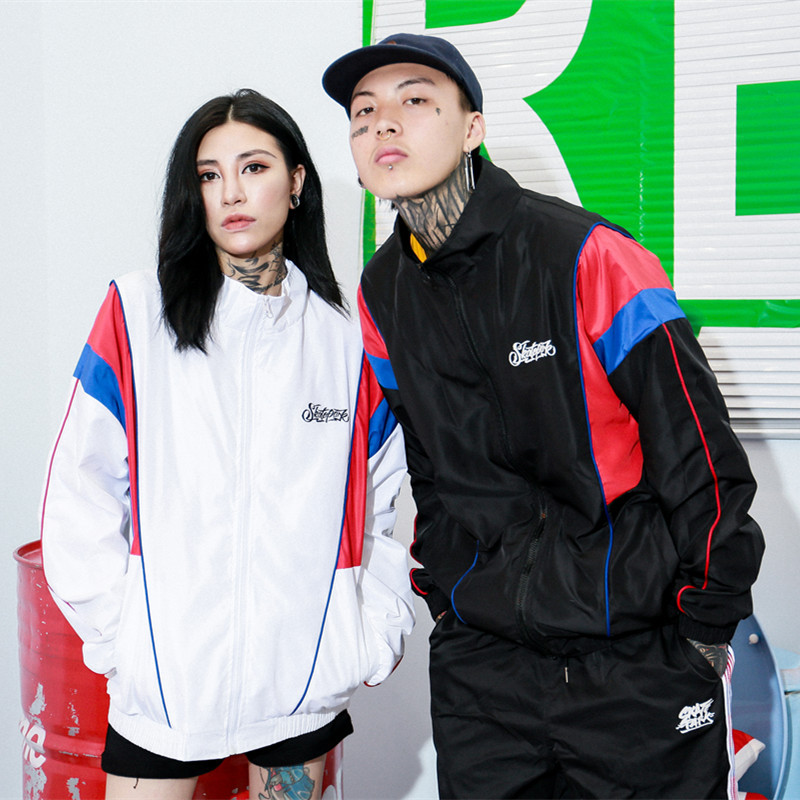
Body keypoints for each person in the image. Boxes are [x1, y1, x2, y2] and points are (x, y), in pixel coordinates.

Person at [322, 34, 765, 799]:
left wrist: (704, 625)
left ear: (473, 127)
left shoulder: (587, 254)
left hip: (636, 660)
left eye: (414, 100)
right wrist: (452, 604)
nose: (383, 123)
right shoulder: (382, 292)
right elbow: (431, 474)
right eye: (363, 113)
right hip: (483, 676)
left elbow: (699, 452)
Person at [39, 88, 414, 800]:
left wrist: (364, 635)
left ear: (296, 182)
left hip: (301, 688)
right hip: (164, 693)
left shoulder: (346, 339)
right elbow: (79, 496)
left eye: (254, 168)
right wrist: (129, 645)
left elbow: (383, 507)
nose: (232, 193)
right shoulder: (136, 314)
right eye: (209, 175)